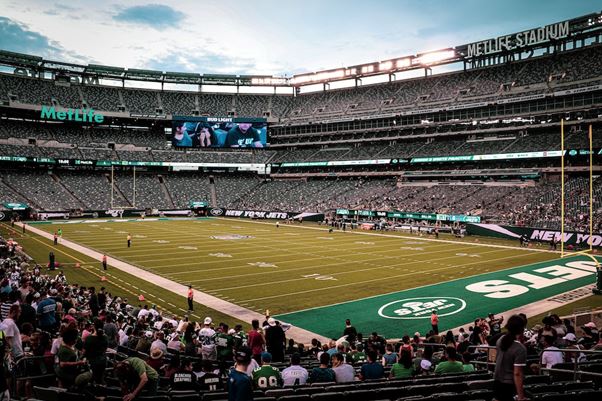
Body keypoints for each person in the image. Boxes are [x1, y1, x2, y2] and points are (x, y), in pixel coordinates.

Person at [493, 315, 528, 401]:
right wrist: (521, 397)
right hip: (509, 384)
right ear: (521, 329)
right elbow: (517, 373)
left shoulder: (500, 340)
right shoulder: (520, 349)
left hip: (497, 381)